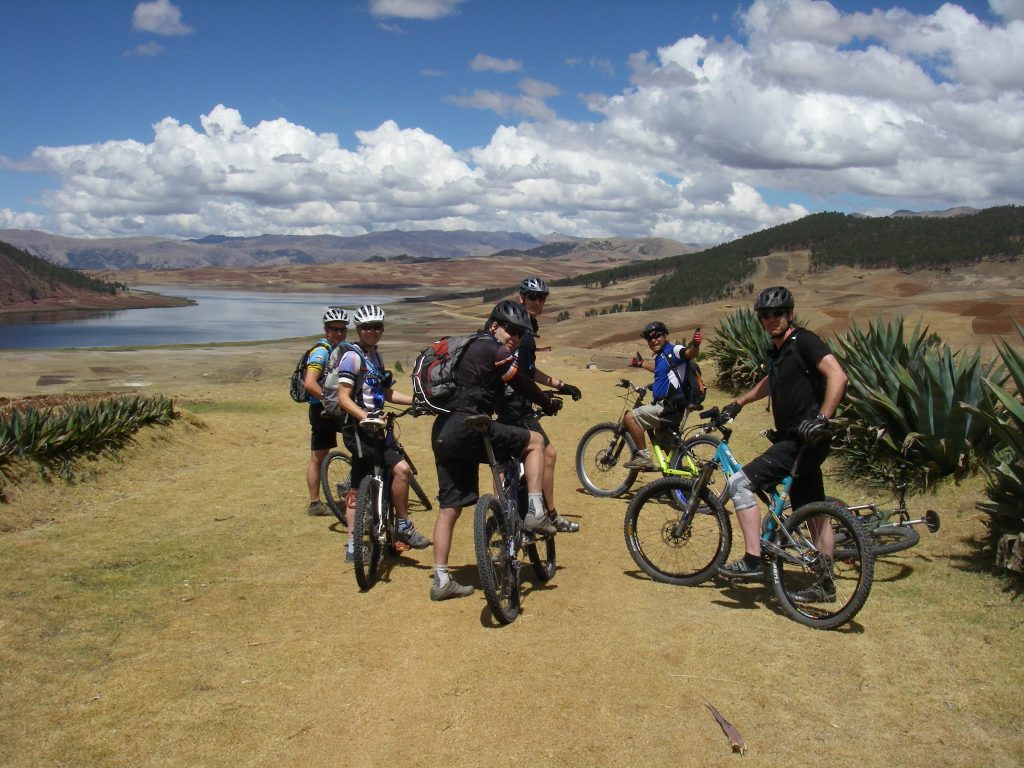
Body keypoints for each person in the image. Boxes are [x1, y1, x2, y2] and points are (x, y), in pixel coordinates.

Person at [715, 286, 848, 602]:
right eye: (765, 315)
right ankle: (825, 585)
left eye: (778, 313)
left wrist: (822, 417)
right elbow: (770, 382)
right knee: (813, 512)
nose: (771, 319)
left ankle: (752, 560)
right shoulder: (777, 349)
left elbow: (838, 376)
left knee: (739, 484)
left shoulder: (804, 341)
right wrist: (741, 401)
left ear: (790, 314)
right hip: (803, 442)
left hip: (801, 439)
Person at [429, 300, 563, 601]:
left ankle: (441, 580)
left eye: (520, 334)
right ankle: (536, 512)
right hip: (469, 425)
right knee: (535, 442)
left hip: (442, 432)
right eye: (511, 330)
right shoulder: (494, 349)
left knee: (450, 507)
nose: (515, 338)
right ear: (494, 326)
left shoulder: (468, 348)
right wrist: (547, 402)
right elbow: (522, 383)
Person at [334, 304, 431, 560]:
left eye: (376, 327)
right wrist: (366, 416)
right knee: (370, 480)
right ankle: (363, 542)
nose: (372, 331)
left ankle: (393, 528)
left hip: (377, 427)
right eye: (366, 327)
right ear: (359, 329)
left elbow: (386, 393)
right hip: (359, 429)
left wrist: (417, 401)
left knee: (387, 474)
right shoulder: (352, 357)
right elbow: (343, 397)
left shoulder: (375, 356)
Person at [496, 276, 582, 533]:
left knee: (506, 462)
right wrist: (542, 399)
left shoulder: (525, 326)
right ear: (521, 297)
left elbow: (527, 370)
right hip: (513, 403)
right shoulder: (518, 327)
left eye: (542, 297)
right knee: (547, 453)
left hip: (510, 401)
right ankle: (546, 514)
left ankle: (506, 517)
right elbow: (516, 373)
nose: (537, 301)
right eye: (532, 296)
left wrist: (559, 384)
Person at [622, 321, 702, 470]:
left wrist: (695, 345)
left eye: (657, 335)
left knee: (630, 417)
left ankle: (643, 457)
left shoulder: (675, 350)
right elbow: (659, 370)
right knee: (667, 447)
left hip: (669, 407)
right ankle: (675, 486)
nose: (654, 340)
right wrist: (642, 365)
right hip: (671, 407)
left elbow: (690, 353)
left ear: (665, 335)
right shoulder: (661, 357)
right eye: (649, 338)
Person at [303, 306, 350, 516]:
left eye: (342, 329)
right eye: (334, 329)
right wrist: (330, 400)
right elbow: (310, 383)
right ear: (326, 330)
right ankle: (316, 503)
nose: (339, 333)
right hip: (324, 411)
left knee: (318, 456)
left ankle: (316, 504)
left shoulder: (341, 349)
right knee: (361, 444)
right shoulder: (321, 351)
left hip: (326, 409)